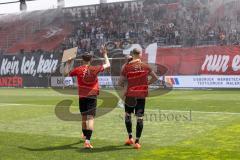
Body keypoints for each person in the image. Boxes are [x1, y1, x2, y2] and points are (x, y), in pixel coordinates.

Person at [64, 46, 110, 149]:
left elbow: (66, 73)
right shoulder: (94, 68)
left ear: (82, 60)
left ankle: (85, 135)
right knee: (91, 118)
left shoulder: (78, 69)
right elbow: (108, 64)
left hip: (82, 97)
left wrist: (68, 62)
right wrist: (105, 54)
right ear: (91, 60)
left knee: (84, 118)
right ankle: (87, 141)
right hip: (92, 96)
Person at [118, 48, 158, 149]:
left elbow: (120, 83)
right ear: (140, 54)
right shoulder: (145, 66)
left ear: (132, 54)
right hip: (141, 95)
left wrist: (128, 83)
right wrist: (146, 84)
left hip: (130, 95)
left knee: (128, 115)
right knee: (139, 118)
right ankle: (137, 142)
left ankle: (130, 137)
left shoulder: (126, 67)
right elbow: (155, 77)